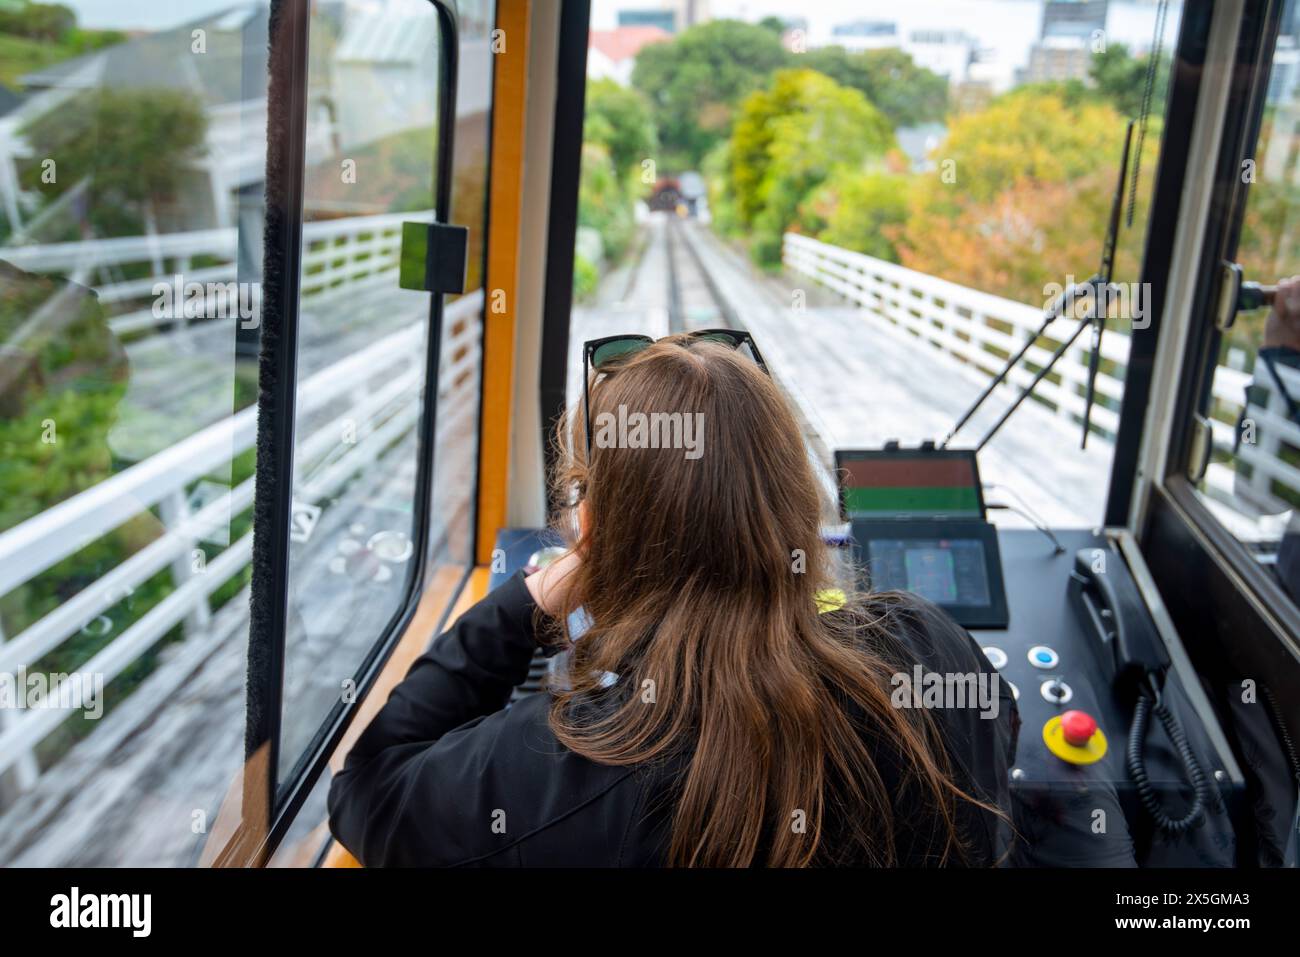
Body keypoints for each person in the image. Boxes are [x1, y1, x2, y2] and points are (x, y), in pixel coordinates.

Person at [328, 334, 1018, 867]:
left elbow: (367, 786)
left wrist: (531, 597)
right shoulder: (932, 646)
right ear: (800, 508)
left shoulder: (560, 769)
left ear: (592, 532)